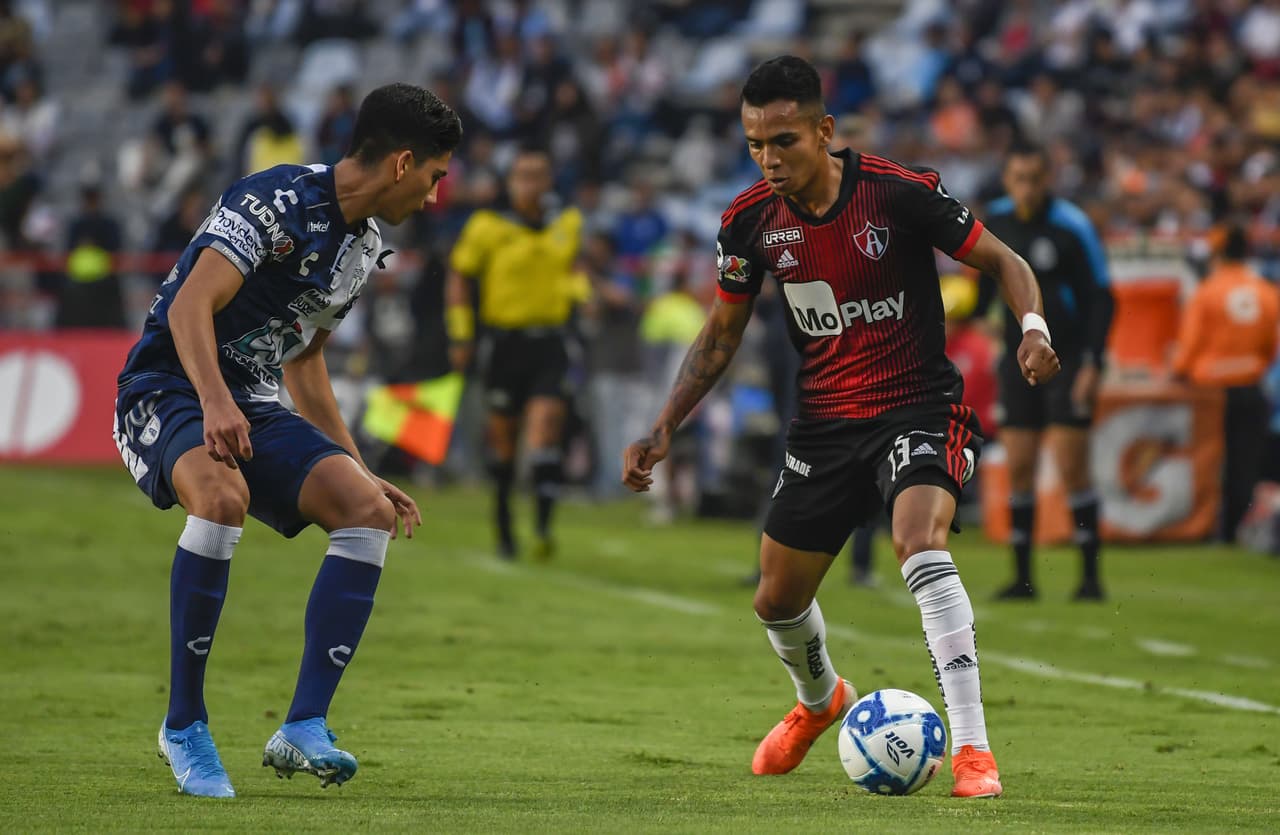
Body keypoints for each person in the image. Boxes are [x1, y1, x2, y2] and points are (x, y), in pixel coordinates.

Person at [622, 56, 1060, 798]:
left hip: (919, 405)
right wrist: (664, 425)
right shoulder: (750, 221)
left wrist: (1033, 328)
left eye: (784, 141)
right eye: (755, 143)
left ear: (825, 131)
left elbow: (1003, 258)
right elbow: (720, 335)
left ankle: (974, 750)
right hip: (825, 424)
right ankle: (822, 699)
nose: (769, 159)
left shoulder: (897, 192)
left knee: (918, 541)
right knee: (775, 599)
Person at [113, 83, 461, 798]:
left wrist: (361, 469)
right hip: (166, 383)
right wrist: (214, 403)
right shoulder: (275, 200)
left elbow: (304, 361)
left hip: (249, 399)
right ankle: (183, 725)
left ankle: (303, 725)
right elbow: (189, 306)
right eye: (435, 175)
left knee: (365, 511)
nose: (435, 194)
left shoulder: (362, 250)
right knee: (220, 494)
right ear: (402, 163)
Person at [977, 142, 1114, 601]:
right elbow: (981, 286)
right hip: (1015, 359)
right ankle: (1023, 578)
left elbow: (1100, 297)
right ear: (1007, 178)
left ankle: (1090, 578)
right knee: (1019, 465)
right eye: (1018, 178)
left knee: (1073, 466)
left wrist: (1093, 363)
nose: (1026, 188)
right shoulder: (995, 220)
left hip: (1067, 358)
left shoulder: (1070, 226)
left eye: (1035, 178)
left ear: (1047, 180)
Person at [446, 145, 584, 560]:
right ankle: (505, 528)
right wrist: (460, 334)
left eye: (538, 175)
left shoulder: (568, 223)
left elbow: (572, 272)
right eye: (522, 175)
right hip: (504, 343)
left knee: (545, 428)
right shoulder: (487, 226)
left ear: (549, 180)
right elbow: (458, 277)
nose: (530, 183)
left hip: (551, 342)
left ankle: (543, 526)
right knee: (504, 443)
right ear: (509, 182)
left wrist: (585, 293)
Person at [1171, 225, 1280, 542]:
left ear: (1216, 254)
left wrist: (1178, 370)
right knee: (1244, 464)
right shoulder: (1266, 291)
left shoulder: (1207, 292)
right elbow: (1270, 347)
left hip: (1210, 394)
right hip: (1251, 387)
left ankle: (1208, 530)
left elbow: (1187, 351)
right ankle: (1237, 531)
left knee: (1209, 465)